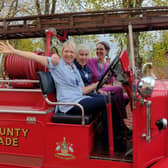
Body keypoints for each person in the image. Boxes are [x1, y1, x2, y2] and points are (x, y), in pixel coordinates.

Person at [0, 40, 126, 152]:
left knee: (111, 98)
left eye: (71, 52)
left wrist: (97, 86)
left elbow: (82, 90)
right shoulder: (56, 64)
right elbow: (34, 57)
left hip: (80, 99)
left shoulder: (74, 68)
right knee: (109, 100)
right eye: (66, 51)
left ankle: (111, 139)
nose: (69, 54)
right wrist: (14, 51)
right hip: (69, 104)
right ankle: (111, 141)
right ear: (62, 52)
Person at [87, 41, 129, 119]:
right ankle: (121, 117)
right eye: (97, 49)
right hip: (92, 88)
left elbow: (110, 84)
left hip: (103, 88)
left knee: (126, 98)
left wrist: (103, 85)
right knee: (119, 89)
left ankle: (113, 117)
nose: (98, 51)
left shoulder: (107, 66)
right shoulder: (90, 61)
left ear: (106, 51)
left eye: (101, 49)